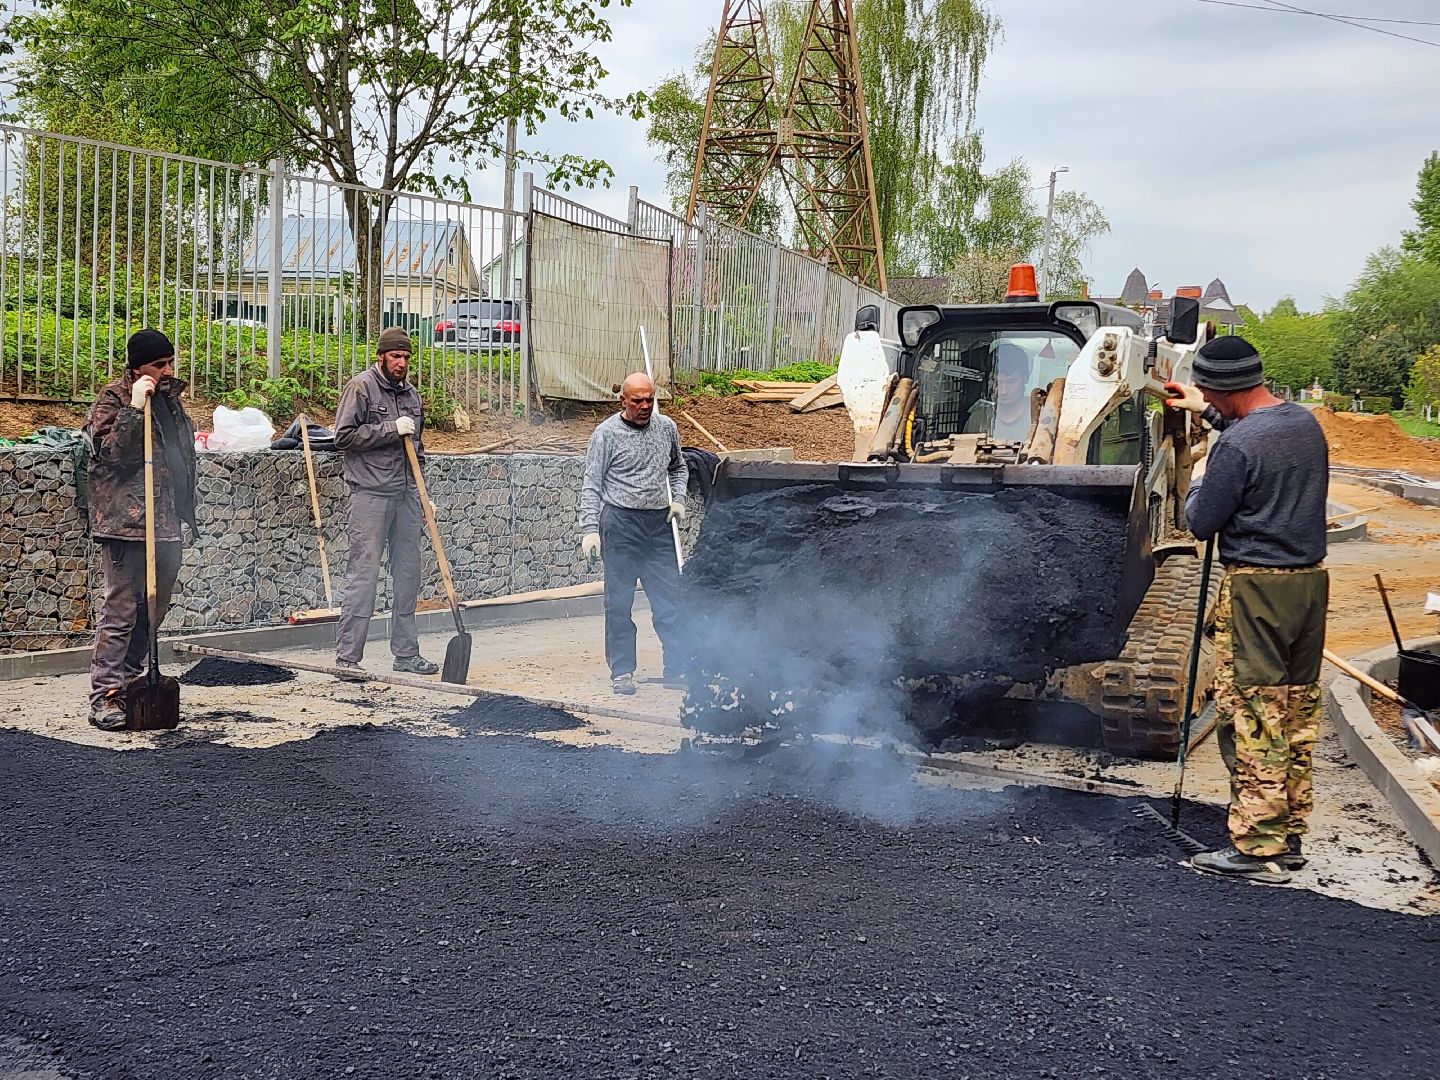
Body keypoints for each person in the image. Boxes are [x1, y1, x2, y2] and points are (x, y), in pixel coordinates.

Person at [1165, 335, 1329, 885]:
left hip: (1257, 587)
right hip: (1309, 584)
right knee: (1296, 707)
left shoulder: (1234, 449)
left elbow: (1199, 521)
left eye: (1209, 388)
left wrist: (1201, 470)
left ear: (1225, 390)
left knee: (1253, 712)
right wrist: (1204, 410)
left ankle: (1257, 851)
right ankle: (1288, 832)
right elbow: (1250, 433)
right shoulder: (1302, 423)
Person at [84, 329, 198, 731]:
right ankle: (106, 696)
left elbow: (181, 457)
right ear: (136, 368)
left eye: (170, 362)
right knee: (122, 610)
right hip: (125, 523)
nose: (167, 371)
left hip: (165, 520)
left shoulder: (171, 400)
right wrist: (134, 408)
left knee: (155, 608)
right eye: (158, 365)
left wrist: (187, 509)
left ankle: (134, 679)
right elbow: (112, 455)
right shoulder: (112, 400)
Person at [332, 326, 439, 676]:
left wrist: (424, 495)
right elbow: (343, 437)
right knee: (363, 574)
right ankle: (348, 659)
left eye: (407, 357)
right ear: (381, 356)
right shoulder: (361, 387)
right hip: (370, 495)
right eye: (396, 356)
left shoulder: (412, 395)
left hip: (407, 495)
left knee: (408, 575)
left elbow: (417, 450)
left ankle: (406, 655)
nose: (402, 363)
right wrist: (392, 428)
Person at [580, 373, 689, 695]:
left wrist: (679, 500)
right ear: (623, 401)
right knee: (619, 603)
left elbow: (678, 467)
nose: (645, 406)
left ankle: (678, 667)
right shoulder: (606, 434)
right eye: (638, 400)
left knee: (670, 601)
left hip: (658, 525)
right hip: (621, 524)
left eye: (650, 400)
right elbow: (592, 483)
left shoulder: (666, 428)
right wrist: (589, 530)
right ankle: (622, 672)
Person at [965, 342, 1034, 442]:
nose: (1003, 391)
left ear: (1025, 378)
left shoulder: (1041, 417)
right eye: (996, 382)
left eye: (1011, 381)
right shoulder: (978, 420)